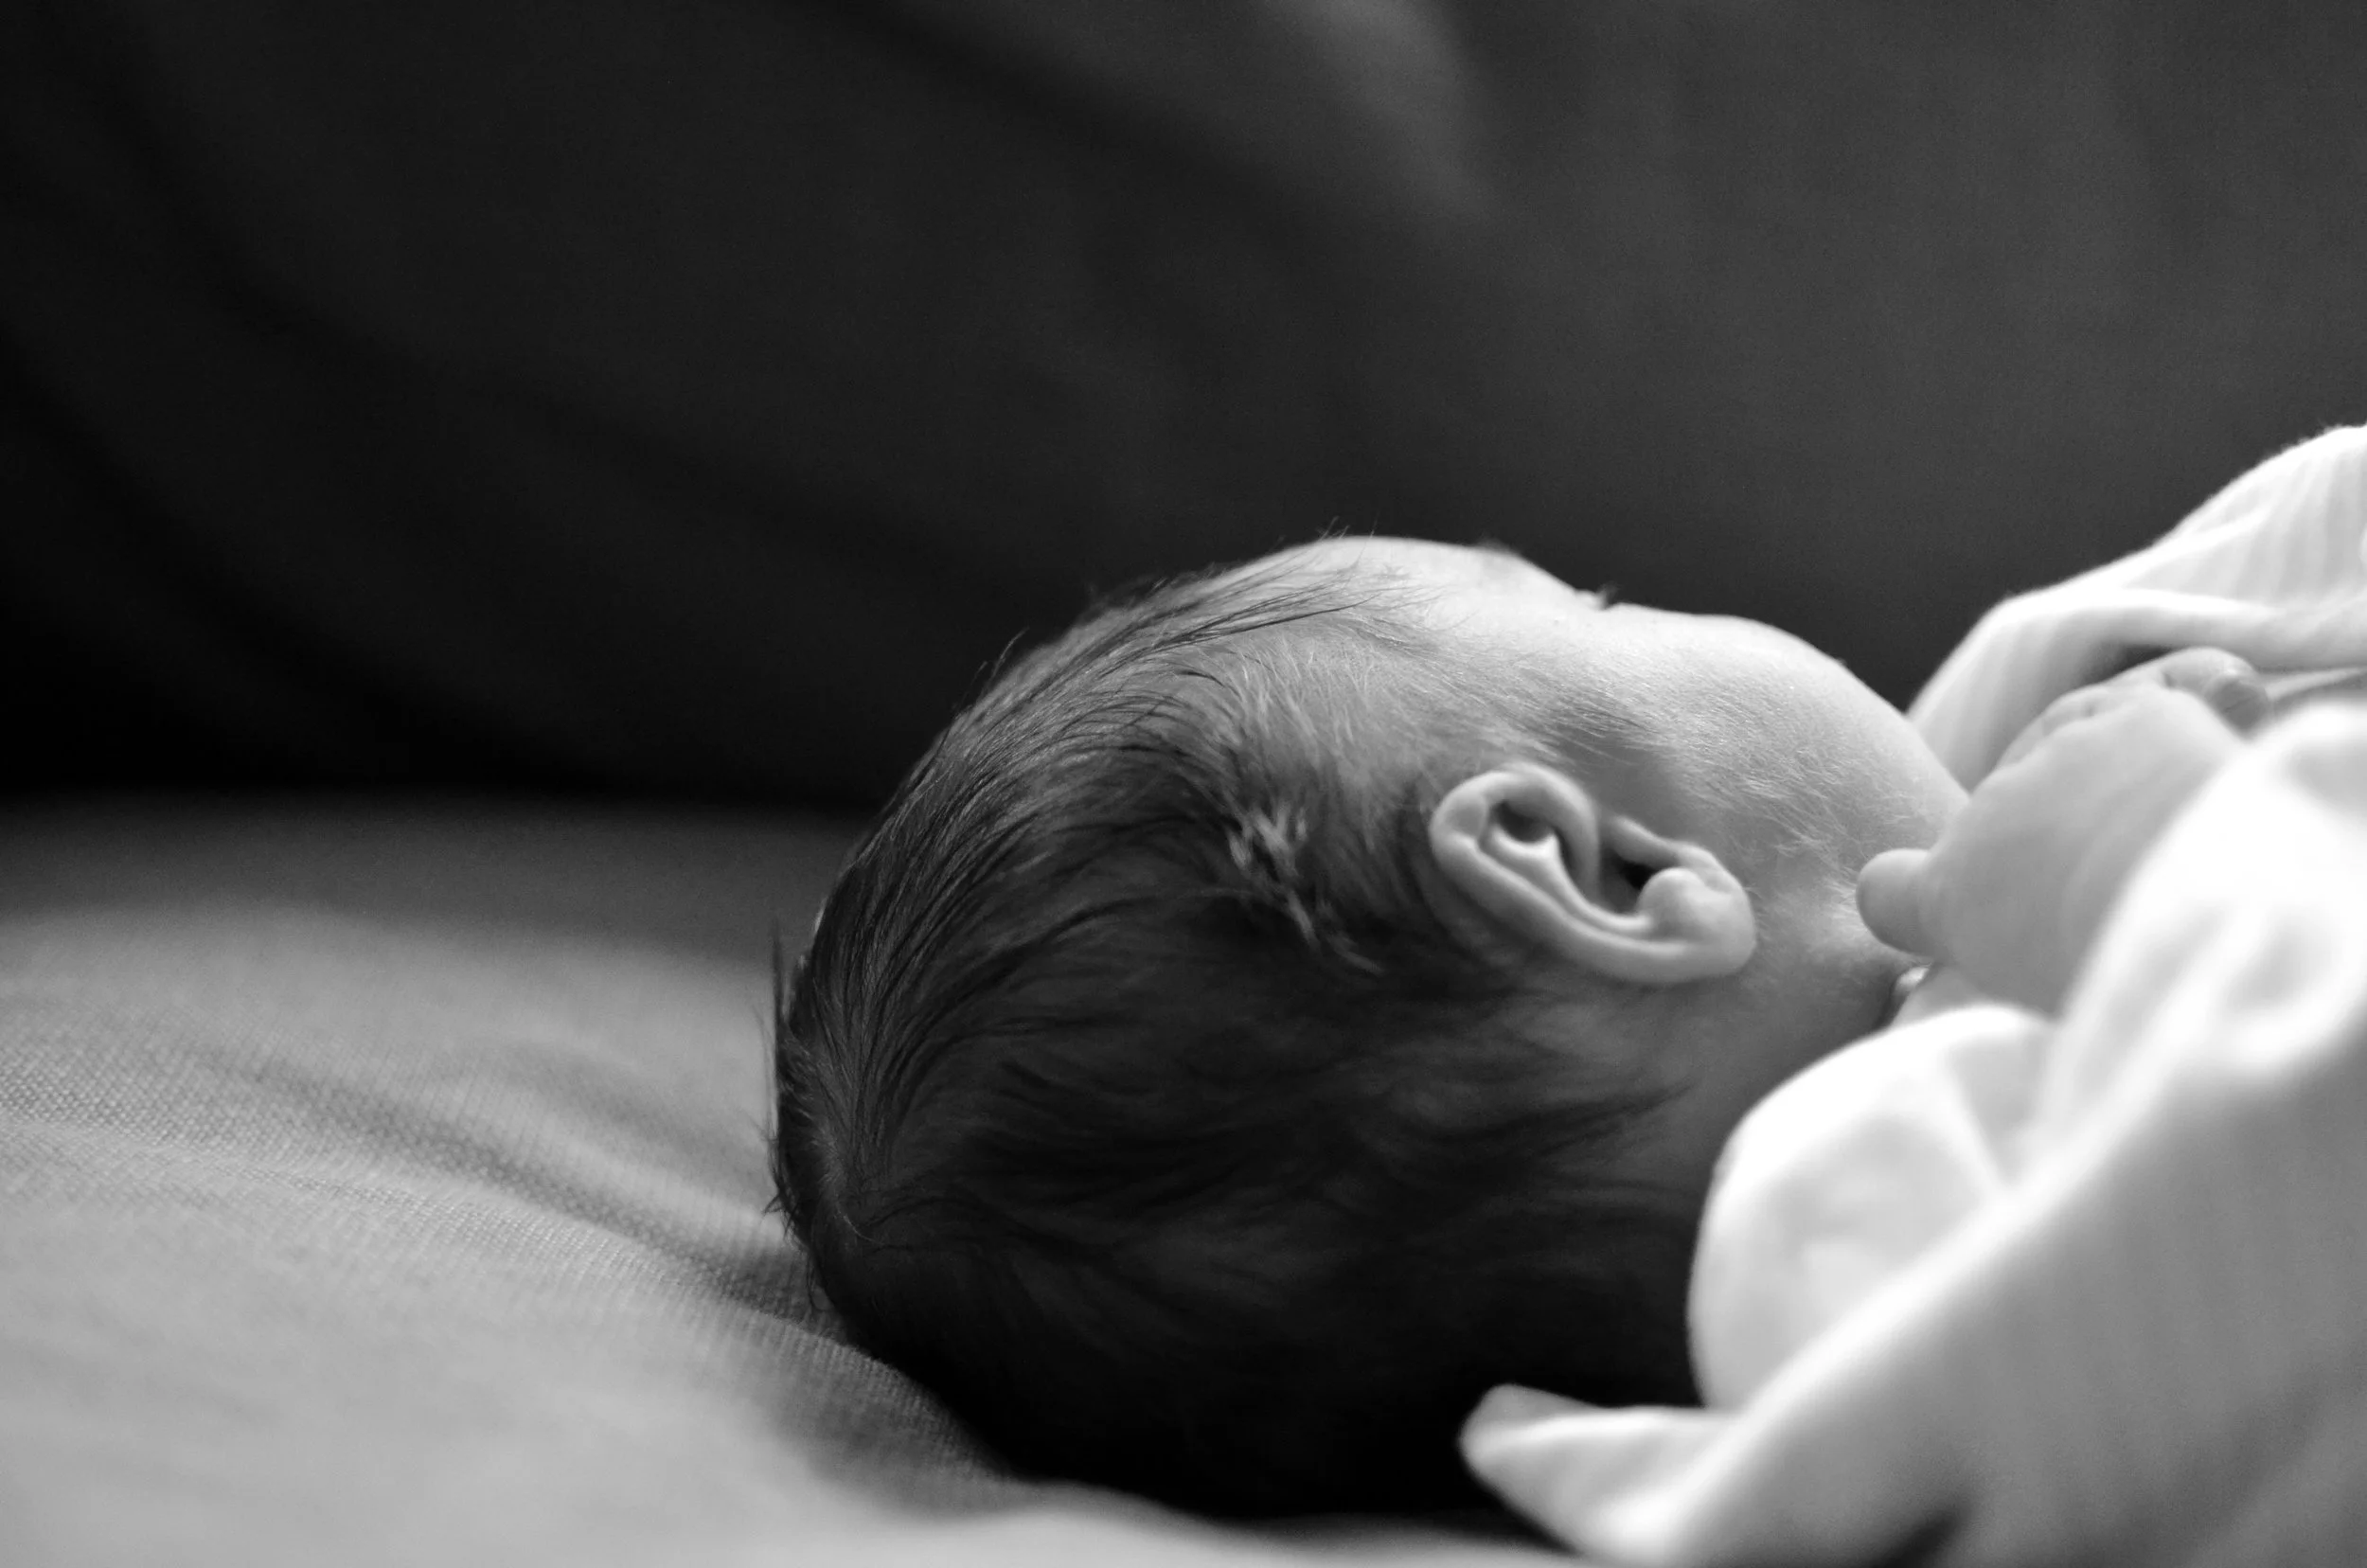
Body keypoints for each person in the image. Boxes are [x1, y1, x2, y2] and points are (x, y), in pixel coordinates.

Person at [766, 530, 2255, 1515]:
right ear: (1608, 875)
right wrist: (2165, 860)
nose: (1638, 590)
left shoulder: (1838, 1349)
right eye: (1593, 604)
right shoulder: (1914, 1212)